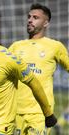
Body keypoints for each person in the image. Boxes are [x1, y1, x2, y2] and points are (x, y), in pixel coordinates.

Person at [9, 3, 69, 135]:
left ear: (46, 23)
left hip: (40, 113)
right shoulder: (15, 46)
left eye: (35, 18)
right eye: (29, 17)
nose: (30, 20)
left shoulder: (55, 46)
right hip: (15, 111)